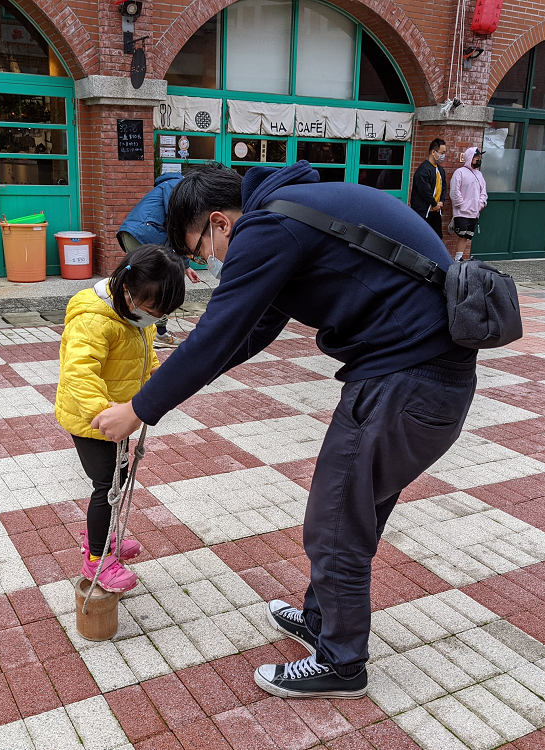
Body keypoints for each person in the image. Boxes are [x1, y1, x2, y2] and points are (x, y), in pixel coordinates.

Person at [92, 161, 477, 701]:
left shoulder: (268, 227)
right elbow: (247, 333)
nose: (207, 263)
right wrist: (164, 382)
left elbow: (220, 329)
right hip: (419, 379)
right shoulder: (295, 212)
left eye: (200, 251)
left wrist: (139, 408)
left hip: (407, 381)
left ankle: (342, 664)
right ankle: (322, 624)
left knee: (336, 519)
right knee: (349, 509)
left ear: (220, 222)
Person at [56, 245, 186, 592]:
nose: (152, 319)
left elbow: (145, 359)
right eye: (150, 310)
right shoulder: (94, 320)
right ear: (126, 289)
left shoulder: (132, 315)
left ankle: (100, 536)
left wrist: (160, 383)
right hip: (94, 420)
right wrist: (102, 414)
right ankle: (96, 556)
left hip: (119, 415)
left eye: (160, 315)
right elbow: (79, 372)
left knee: (120, 475)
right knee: (107, 486)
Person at [118, 172, 201, 347]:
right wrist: (183, 264)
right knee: (163, 283)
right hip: (146, 234)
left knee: (141, 281)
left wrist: (185, 266)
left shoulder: (168, 185)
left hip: (134, 234)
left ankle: (134, 324)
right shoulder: (178, 187)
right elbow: (176, 229)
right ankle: (158, 333)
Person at [449, 146, 488, 261]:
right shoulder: (459, 172)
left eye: (480, 158)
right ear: (470, 158)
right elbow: (455, 191)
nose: (479, 160)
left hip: (474, 212)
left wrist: (481, 204)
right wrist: (461, 204)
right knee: (461, 233)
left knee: (467, 236)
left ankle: (459, 257)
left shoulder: (479, 175)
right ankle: (457, 257)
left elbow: (483, 192)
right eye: (476, 158)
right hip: (461, 212)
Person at [410, 138, 448, 237]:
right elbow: (424, 191)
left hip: (436, 211)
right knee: (421, 237)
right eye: (441, 152)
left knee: (437, 237)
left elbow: (444, 187)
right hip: (423, 212)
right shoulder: (423, 170)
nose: (443, 156)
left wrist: (441, 202)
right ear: (433, 152)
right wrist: (433, 203)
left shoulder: (440, 170)